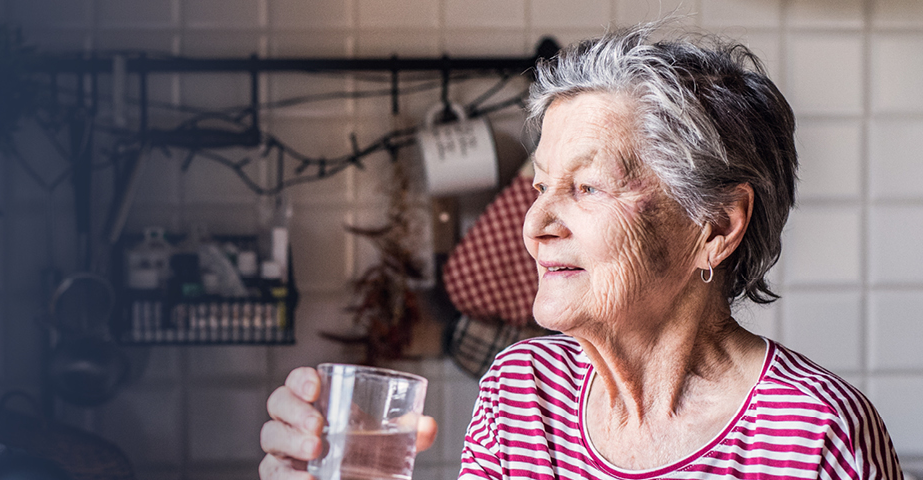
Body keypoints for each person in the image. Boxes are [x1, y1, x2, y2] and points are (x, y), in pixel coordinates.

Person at [260, 22, 903, 480]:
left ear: (715, 226)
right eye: (542, 186)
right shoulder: (521, 395)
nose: (534, 224)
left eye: (587, 187)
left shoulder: (815, 435)